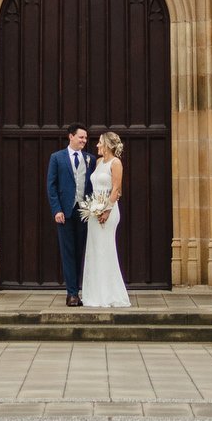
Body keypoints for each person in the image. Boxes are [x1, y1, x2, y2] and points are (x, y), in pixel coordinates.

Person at [80, 129, 130, 309]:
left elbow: (116, 189)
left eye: (100, 142)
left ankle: (109, 294)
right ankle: (95, 294)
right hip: (94, 211)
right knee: (94, 251)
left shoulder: (116, 163)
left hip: (109, 212)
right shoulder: (99, 162)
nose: (97, 145)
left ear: (108, 145)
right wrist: (93, 208)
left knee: (105, 250)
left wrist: (107, 210)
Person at [45, 122, 94, 306]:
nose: (84, 140)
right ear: (71, 136)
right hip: (64, 213)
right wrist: (56, 209)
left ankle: (82, 290)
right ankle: (72, 294)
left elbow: (93, 186)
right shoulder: (57, 158)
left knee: (81, 252)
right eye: (81, 137)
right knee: (68, 253)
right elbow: (52, 186)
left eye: (86, 138)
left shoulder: (90, 159)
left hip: (84, 212)